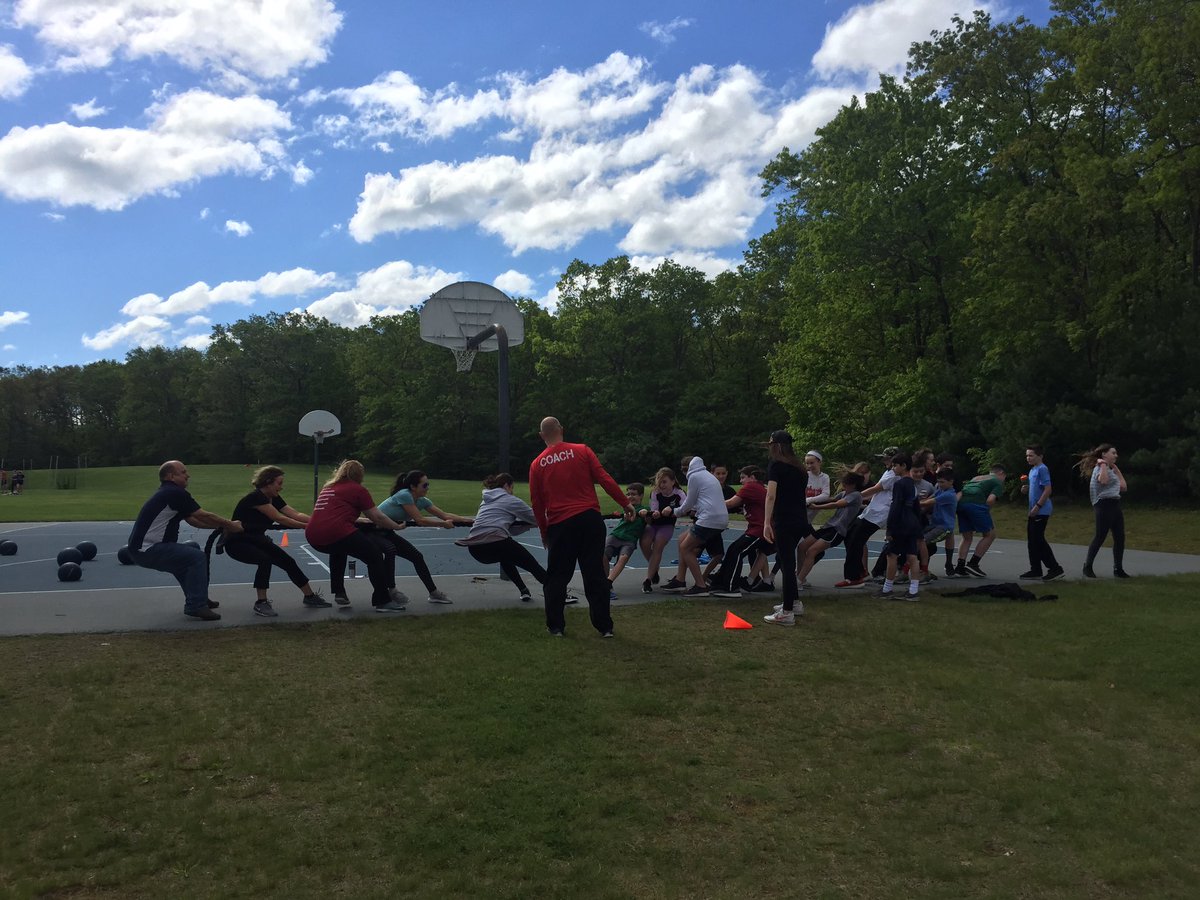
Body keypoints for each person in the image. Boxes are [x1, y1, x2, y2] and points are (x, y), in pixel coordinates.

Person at [529, 416, 634, 638]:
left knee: (557, 576)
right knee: (594, 573)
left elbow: (537, 504)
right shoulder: (582, 450)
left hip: (560, 524)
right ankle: (604, 627)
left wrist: (544, 532)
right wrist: (625, 503)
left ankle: (556, 626)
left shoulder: (537, 464)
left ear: (542, 436)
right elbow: (604, 479)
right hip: (589, 519)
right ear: (562, 430)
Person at [127, 460, 243, 621]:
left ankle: (198, 598)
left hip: (141, 550)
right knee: (197, 557)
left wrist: (221, 528)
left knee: (187, 560)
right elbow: (203, 515)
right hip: (149, 549)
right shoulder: (174, 493)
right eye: (183, 472)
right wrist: (230, 524)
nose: (188, 475)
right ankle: (196, 605)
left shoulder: (170, 493)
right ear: (171, 476)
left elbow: (193, 520)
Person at [220, 465, 331, 617]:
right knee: (264, 560)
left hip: (256, 539)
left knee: (288, 562)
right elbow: (280, 518)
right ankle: (261, 603)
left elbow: (294, 514)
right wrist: (308, 527)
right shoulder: (256, 497)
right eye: (279, 483)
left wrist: (317, 522)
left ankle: (310, 597)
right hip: (238, 542)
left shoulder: (273, 497)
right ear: (268, 482)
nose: (281, 487)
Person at [305, 460, 409, 612]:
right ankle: (382, 600)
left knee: (338, 549)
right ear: (360, 475)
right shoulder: (358, 490)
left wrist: (358, 519)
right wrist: (396, 526)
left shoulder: (328, 488)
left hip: (314, 535)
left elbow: (335, 512)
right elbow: (377, 517)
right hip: (336, 531)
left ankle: (339, 591)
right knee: (374, 556)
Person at [371, 470, 473, 604]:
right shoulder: (404, 495)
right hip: (372, 531)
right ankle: (391, 590)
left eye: (428, 484)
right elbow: (420, 520)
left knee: (417, 557)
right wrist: (443, 524)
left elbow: (445, 515)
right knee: (390, 551)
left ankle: (433, 593)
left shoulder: (422, 501)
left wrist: (469, 521)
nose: (427, 488)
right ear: (413, 487)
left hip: (387, 532)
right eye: (424, 485)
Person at [456, 473, 547, 602]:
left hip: (475, 549)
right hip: (495, 542)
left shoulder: (486, 500)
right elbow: (537, 518)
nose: (512, 492)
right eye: (512, 488)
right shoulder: (510, 500)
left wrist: (527, 525)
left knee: (506, 557)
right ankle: (560, 594)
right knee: (532, 565)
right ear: (506, 485)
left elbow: (509, 530)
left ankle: (523, 590)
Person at [661, 456, 730, 596]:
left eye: (686, 469)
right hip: (719, 519)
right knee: (682, 539)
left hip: (708, 520)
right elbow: (704, 500)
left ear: (690, 468)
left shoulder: (694, 477)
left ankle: (700, 585)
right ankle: (680, 580)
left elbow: (688, 502)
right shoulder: (707, 476)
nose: (685, 473)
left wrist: (673, 511)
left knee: (685, 548)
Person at [761, 430, 810, 626]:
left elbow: (771, 495)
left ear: (777, 446)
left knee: (787, 564)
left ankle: (787, 612)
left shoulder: (776, 465)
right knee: (786, 560)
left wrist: (766, 522)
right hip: (800, 519)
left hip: (785, 519)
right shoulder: (799, 468)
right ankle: (794, 602)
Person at [834, 447, 899, 589]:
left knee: (855, 540)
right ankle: (859, 571)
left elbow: (875, 489)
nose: (884, 460)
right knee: (851, 535)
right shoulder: (889, 472)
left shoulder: (893, 476)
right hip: (871, 511)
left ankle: (852, 577)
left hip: (878, 513)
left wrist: (853, 498)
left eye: (887, 458)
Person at [793, 470, 866, 587]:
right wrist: (810, 500)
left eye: (845, 483)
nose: (843, 485)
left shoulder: (856, 496)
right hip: (828, 526)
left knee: (812, 551)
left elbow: (836, 504)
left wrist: (817, 507)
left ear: (852, 484)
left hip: (837, 530)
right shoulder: (844, 494)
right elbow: (831, 499)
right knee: (802, 547)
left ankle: (799, 581)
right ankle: (801, 577)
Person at [709, 466, 773, 597]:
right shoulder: (761, 488)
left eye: (743, 477)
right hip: (760, 529)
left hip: (759, 530)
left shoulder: (751, 487)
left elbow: (731, 503)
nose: (741, 481)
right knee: (734, 549)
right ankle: (722, 580)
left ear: (753, 478)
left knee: (737, 551)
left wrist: (707, 504)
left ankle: (732, 587)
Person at [876, 453, 923, 601]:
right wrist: (918, 525)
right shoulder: (913, 484)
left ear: (903, 466)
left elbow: (895, 506)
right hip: (912, 522)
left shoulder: (899, 484)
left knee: (891, 555)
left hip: (901, 523)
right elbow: (917, 507)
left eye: (895, 465)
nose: (893, 468)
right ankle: (913, 590)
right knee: (912, 556)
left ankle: (887, 588)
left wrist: (890, 528)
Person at [1080, 444, 1130, 578]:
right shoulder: (1099, 469)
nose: (1116, 455)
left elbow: (1123, 487)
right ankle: (1088, 566)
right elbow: (1103, 481)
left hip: (1115, 504)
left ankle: (1118, 568)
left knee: (1120, 538)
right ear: (1104, 455)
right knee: (1100, 536)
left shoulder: (1110, 469)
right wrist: (1102, 465)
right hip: (1103, 505)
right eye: (1113, 453)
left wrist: (1116, 469)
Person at [953, 464, 1007, 578]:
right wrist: (985, 511)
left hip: (961, 504)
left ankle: (960, 566)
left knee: (967, 537)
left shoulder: (976, 478)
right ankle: (973, 563)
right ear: (1001, 474)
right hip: (976, 504)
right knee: (990, 534)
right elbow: (990, 500)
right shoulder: (997, 482)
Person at [1020, 445, 1065, 582]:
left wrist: (1038, 506)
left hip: (1041, 510)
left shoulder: (1042, 469)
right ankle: (1035, 569)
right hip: (1033, 511)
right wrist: (1026, 489)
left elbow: (1047, 490)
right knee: (1032, 541)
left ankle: (1055, 568)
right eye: (1027, 455)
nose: (1028, 458)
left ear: (1040, 456)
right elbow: (1036, 489)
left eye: (1031, 455)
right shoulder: (1033, 470)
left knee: (1038, 540)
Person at [640, 467, 685, 594]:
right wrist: (653, 513)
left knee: (658, 546)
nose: (661, 485)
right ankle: (654, 568)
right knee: (644, 543)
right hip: (654, 523)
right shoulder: (655, 492)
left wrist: (673, 509)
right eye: (659, 482)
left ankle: (648, 579)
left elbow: (685, 508)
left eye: (664, 481)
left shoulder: (679, 493)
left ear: (672, 481)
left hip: (667, 524)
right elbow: (654, 509)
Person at [604, 483, 649, 598]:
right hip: (616, 535)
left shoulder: (645, 509)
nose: (630, 497)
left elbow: (650, 520)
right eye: (628, 494)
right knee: (603, 555)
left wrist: (645, 515)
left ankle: (608, 583)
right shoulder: (627, 507)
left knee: (623, 558)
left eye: (633, 494)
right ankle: (604, 582)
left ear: (641, 496)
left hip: (629, 540)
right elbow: (628, 516)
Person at [804, 450, 831, 523]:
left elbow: (825, 495)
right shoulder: (804, 476)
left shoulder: (825, 477)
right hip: (800, 513)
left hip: (811, 514)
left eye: (812, 463)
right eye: (807, 463)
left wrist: (808, 500)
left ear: (819, 462)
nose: (809, 466)